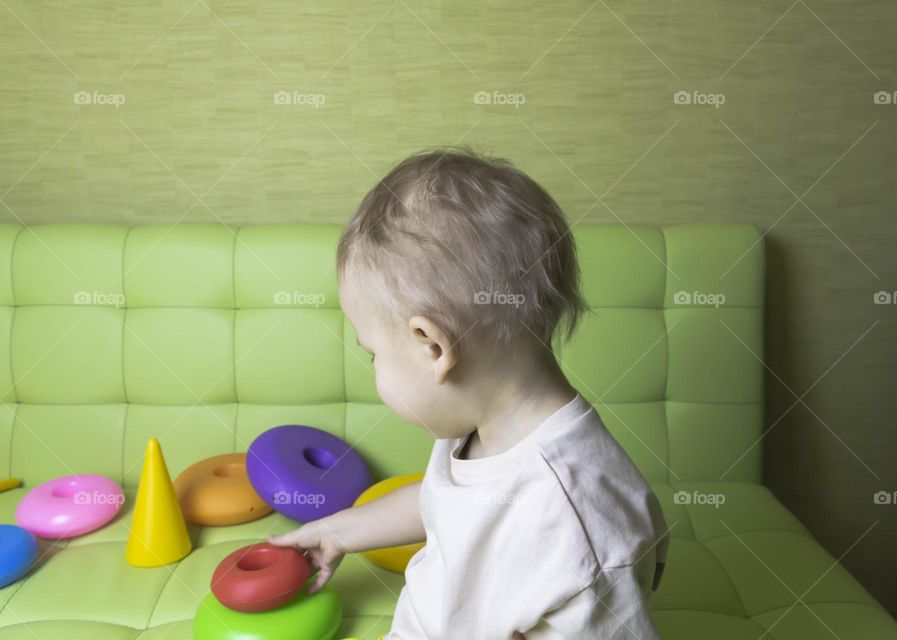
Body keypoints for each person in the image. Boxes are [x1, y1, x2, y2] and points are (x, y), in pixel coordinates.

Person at [268, 147, 670, 639]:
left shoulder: (573, 528)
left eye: (373, 353)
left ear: (433, 347)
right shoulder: (486, 422)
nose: (374, 368)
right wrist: (337, 532)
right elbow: (446, 502)